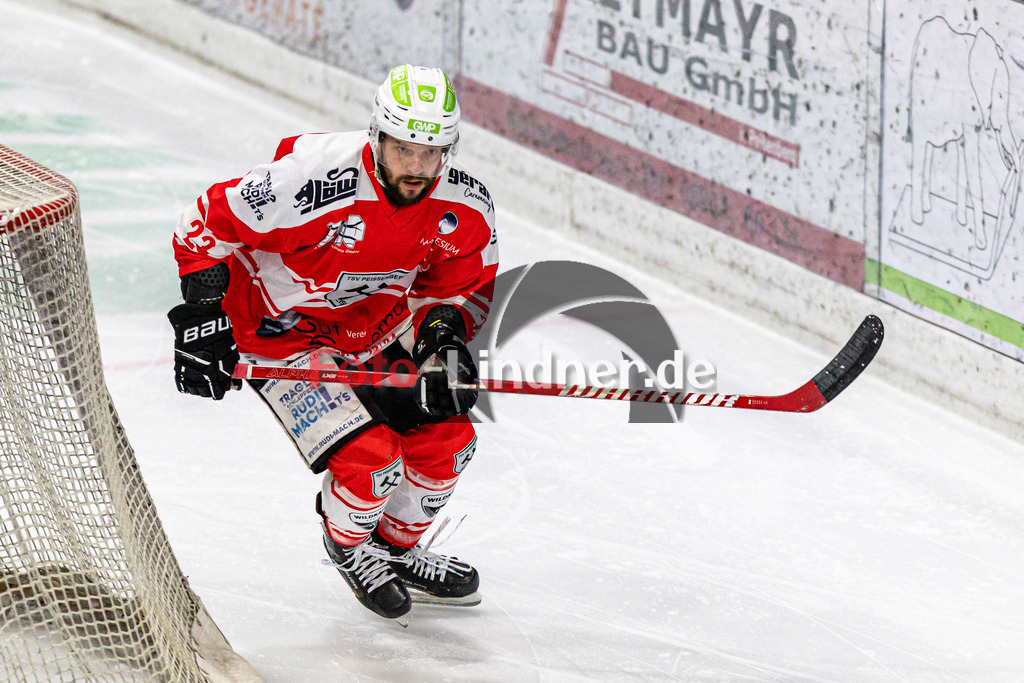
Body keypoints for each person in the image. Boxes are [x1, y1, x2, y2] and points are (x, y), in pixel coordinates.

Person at [167, 64, 498, 625]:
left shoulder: (462, 205)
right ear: (377, 136)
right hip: (278, 338)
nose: (417, 168)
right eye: (403, 150)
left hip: (369, 328)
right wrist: (202, 317)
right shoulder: (309, 179)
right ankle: (349, 545)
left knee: (451, 441)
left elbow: (460, 287)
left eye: (432, 152)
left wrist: (442, 339)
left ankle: (393, 550)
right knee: (373, 467)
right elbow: (203, 223)